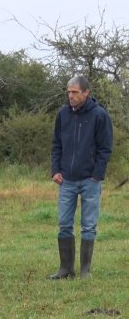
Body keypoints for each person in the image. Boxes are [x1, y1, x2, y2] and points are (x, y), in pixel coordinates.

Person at [50, 76, 113, 279]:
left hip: (90, 180)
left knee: (89, 225)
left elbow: (105, 149)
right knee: (64, 223)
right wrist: (55, 170)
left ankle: (85, 270)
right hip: (66, 179)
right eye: (68, 92)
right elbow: (56, 144)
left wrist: (97, 175)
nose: (71, 95)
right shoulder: (62, 114)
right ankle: (65, 269)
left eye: (75, 92)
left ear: (86, 92)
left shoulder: (99, 115)